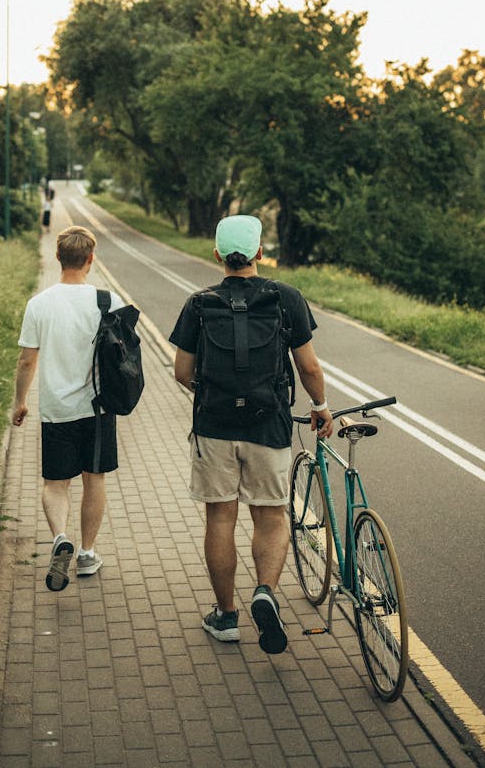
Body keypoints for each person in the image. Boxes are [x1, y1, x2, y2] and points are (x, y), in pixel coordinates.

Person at [170, 214, 333, 654]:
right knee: (271, 515)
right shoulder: (287, 299)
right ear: (261, 252)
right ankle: (265, 592)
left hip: (214, 426)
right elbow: (309, 367)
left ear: (218, 255)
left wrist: (212, 393)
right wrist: (320, 408)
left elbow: (182, 372)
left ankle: (225, 617)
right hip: (269, 424)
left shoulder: (198, 303)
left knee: (220, 518)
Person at [12, 225, 124, 592]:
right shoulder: (108, 302)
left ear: (57, 257)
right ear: (91, 259)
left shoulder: (39, 304)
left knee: (55, 483)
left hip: (56, 409)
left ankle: (60, 537)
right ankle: (87, 553)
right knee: (94, 480)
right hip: (97, 409)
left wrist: (20, 402)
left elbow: (27, 361)